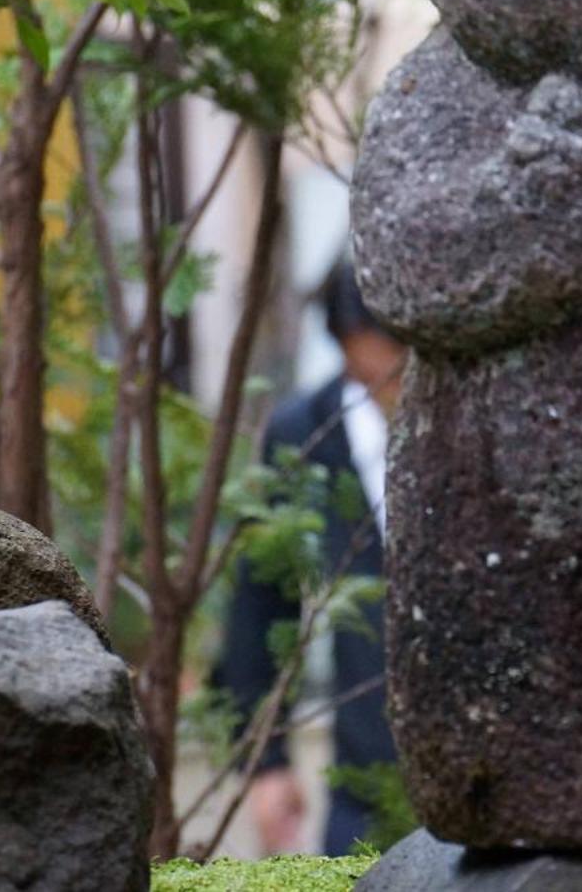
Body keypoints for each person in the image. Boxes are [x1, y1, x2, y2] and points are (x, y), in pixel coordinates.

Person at [214, 259, 405, 855]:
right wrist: (264, 759)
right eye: (373, 364)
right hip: (365, 783)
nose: (391, 382)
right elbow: (260, 599)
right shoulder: (303, 434)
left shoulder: (482, 423)